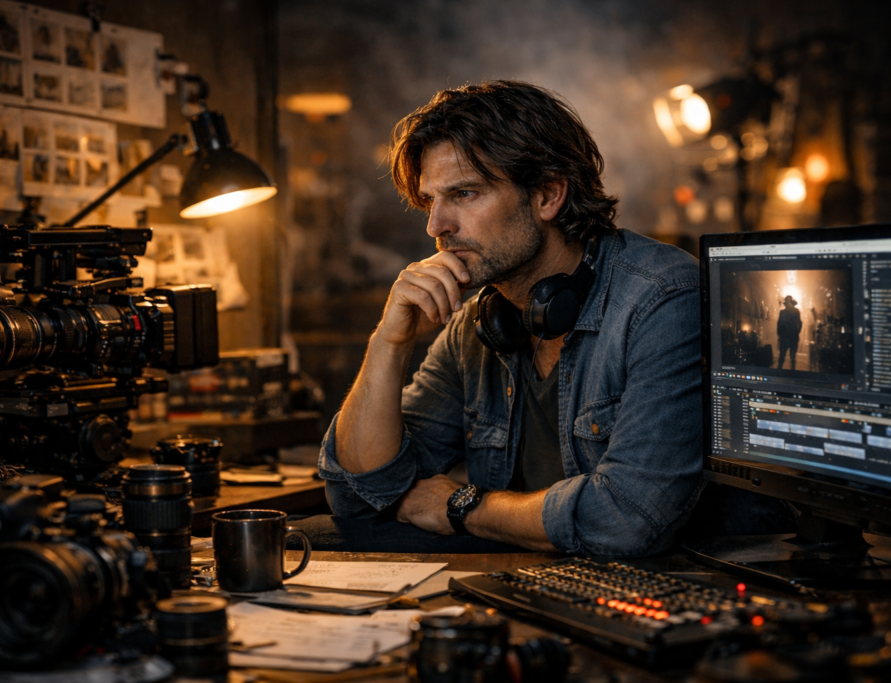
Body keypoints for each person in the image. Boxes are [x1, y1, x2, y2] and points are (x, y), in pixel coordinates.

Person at [314, 80, 706, 556]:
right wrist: (389, 342)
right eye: (430, 200)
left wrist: (460, 507)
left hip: (655, 587)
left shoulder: (661, 299)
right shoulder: (479, 322)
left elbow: (627, 518)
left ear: (548, 196)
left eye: (464, 193)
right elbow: (359, 494)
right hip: (519, 577)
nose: (436, 226)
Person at [776, 295, 802, 371]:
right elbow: (800, 323)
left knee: (782, 357)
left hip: (784, 337)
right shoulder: (796, 311)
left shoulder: (782, 312)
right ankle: (792, 373)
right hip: (793, 337)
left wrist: (779, 335)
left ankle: (778, 373)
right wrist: (797, 332)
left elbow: (779, 324)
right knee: (793, 357)